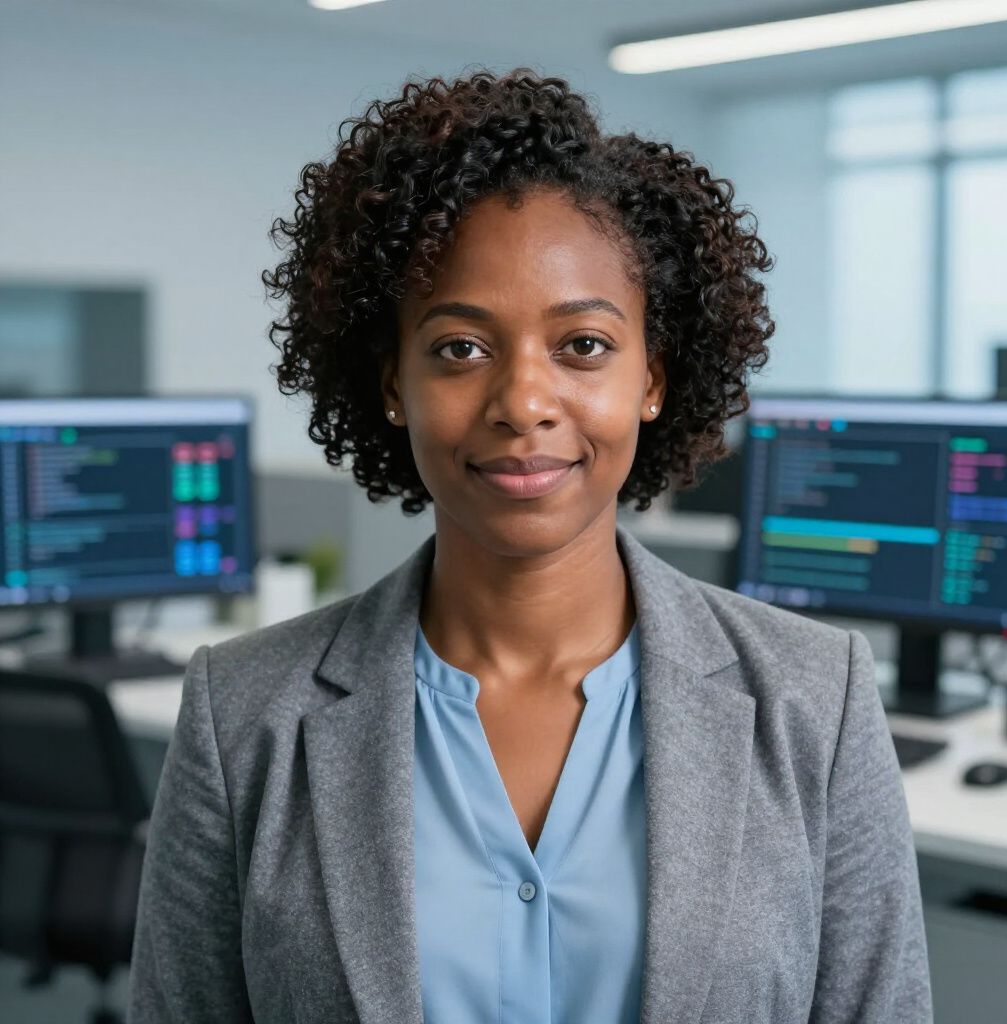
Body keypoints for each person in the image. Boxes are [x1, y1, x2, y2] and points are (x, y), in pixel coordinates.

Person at [127, 67, 933, 1023]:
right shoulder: (243, 716)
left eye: (583, 345)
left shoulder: (815, 700)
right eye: (461, 348)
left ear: (653, 379)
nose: (523, 403)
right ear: (392, 384)